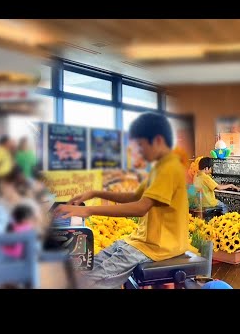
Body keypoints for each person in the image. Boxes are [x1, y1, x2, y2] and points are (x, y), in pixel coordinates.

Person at [53, 112, 192, 289]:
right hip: (142, 241)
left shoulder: (169, 168)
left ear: (157, 140)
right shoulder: (159, 168)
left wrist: (87, 210)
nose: (139, 152)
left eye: (141, 146)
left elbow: (140, 208)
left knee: (87, 281)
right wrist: (96, 193)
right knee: (88, 267)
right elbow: (134, 197)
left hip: (159, 247)